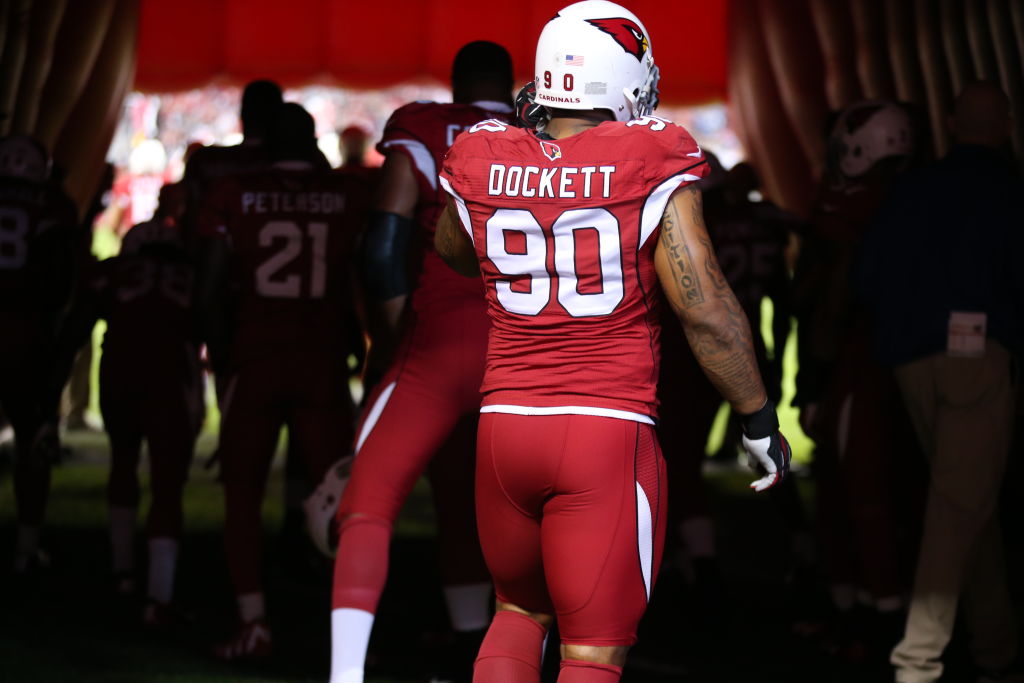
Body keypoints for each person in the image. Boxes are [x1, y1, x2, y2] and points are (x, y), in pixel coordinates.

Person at [433, 2, 791, 680]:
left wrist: (529, 199)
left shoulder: (483, 151)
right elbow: (707, 308)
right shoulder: (651, 154)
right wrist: (757, 416)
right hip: (603, 430)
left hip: (505, 427)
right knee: (592, 654)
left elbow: (455, 248)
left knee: (515, 614)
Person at [328, 41, 514, 683]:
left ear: (458, 84)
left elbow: (381, 246)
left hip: (436, 344)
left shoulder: (429, 128)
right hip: (519, 358)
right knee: (519, 515)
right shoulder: (548, 137)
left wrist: (391, 339)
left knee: (367, 505)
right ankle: (496, 654)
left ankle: (345, 673)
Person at [857, 81, 1022, 683]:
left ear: (951, 123)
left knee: (967, 501)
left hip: (910, 361)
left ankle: (997, 649)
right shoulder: (1008, 191)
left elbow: (866, 278)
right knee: (959, 506)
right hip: (978, 358)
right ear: (1005, 124)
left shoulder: (911, 191)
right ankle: (918, 664)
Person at [197, 103, 368, 659]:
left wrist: (223, 358)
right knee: (342, 499)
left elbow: (211, 285)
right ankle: (346, 630)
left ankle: (254, 622)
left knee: (243, 494)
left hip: (257, 355)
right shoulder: (346, 194)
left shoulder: (237, 191)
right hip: (319, 359)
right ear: (313, 143)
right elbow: (359, 276)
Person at [44, 211, 202, 625]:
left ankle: (124, 573)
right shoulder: (193, 273)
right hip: (170, 378)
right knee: (168, 485)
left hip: (122, 375)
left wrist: (49, 395)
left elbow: (75, 331)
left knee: (123, 463)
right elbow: (216, 327)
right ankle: (159, 595)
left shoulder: (113, 272)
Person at [0, 134, 79, 574]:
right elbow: (60, 279)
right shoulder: (51, 204)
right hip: (25, 331)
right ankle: (26, 547)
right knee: (34, 438)